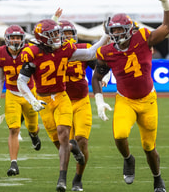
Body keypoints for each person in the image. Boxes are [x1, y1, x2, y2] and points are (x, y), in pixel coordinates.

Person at [91, 0, 169, 192]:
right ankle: (128, 159)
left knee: (149, 147)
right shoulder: (106, 51)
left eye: (120, 29)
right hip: (125, 100)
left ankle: (157, 178)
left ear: (129, 29)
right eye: (114, 30)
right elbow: (96, 77)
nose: (117, 33)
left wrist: (164, 1)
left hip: (148, 100)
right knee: (119, 135)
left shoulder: (144, 37)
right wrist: (99, 101)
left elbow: (168, 26)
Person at [17, 19, 109, 192]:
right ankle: (73, 150)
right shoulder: (33, 52)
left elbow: (90, 54)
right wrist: (32, 100)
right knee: (61, 143)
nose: (59, 37)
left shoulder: (65, 49)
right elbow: (21, 80)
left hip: (63, 97)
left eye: (58, 33)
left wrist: (106, 35)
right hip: (44, 101)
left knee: (69, 137)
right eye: (53, 34)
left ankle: (64, 180)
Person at [52, 9, 109, 191]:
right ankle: (63, 178)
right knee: (65, 143)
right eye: (64, 35)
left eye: (70, 34)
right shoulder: (53, 53)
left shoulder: (82, 50)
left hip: (81, 100)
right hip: (61, 102)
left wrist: (104, 76)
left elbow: (99, 65)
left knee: (82, 140)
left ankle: (78, 178)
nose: (68, 38)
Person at [0, 25, 41, 176]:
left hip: (29, 95)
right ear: (7, 39)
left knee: (33, 127)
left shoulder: (30, 50)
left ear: (23, 39)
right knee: (14, 129)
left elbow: (42, 36)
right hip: (12, 94)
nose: (15, 40)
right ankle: (14, 163)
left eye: (18, 38)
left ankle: (33, 136)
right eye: (12, 37)